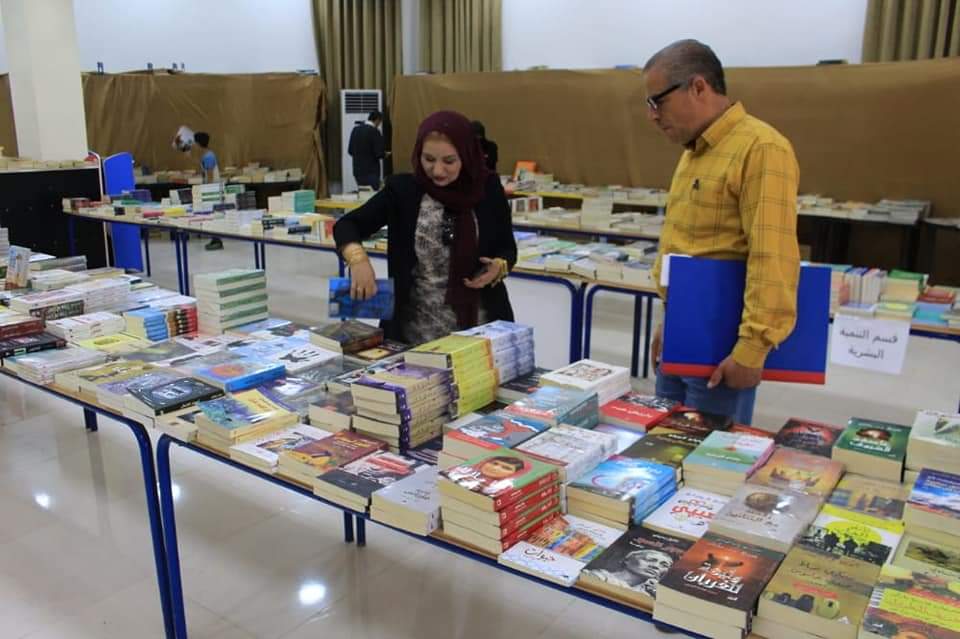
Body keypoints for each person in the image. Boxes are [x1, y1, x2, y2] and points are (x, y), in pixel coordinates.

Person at [644, 39, 800, 425]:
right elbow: (687, 248)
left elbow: (772, 256)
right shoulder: (694, 152)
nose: (652, 116)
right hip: (682, 328)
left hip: (722, 341)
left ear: (698, 87)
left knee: (709, 450)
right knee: (665, 444)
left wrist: (752, 349)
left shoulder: (762, 148)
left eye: (657, 101)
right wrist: (669, 320)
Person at [333, 110, 517, 345]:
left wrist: (499, 266)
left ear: (467, 156)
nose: (437, 171)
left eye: (449, 161)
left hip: (481, 336)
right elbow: (347, 225)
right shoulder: (403, 191)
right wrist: (358, 260)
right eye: (428, 159)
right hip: (415, 336)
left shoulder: (488, 189)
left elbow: (507, 248)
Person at [194, 131, 223, 250]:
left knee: (213, 215)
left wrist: (207, 190)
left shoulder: (209, 156)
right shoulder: (206, 155)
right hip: (210, 188)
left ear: (198, 143)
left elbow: (210, 175)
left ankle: (217, 240)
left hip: (212, 189)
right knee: (211, 215)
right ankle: (215, 239)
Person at [347, 111, 386, 190]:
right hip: (371, 172)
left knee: (363, 194)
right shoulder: (375, 131)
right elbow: (379, 154)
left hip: (357, 172)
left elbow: (350, 151)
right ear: (377, 120)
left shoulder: (355, 129)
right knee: (373, 195)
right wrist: (385, 154)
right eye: (380, 122)